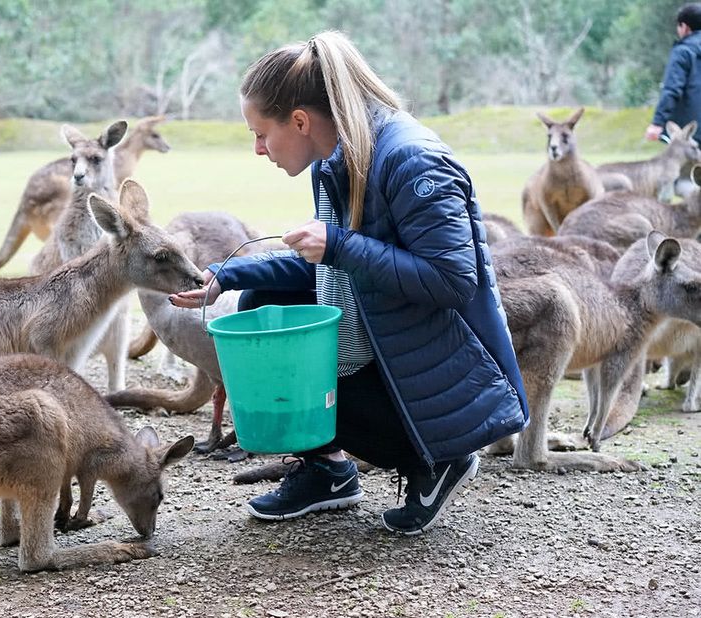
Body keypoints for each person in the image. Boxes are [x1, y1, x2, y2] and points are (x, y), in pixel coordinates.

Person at [170, 30, 529, 535]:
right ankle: (329, 471)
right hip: (391, 343)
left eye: (260, 133)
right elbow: (329, 268)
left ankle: (440, 457)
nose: (257, 149)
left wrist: (339, 244)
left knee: (286, 353)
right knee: (262, 301)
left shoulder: (413, 160)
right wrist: (225, 275)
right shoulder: (335, 156)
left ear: (299, 121)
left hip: (445, 378)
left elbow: (452, 281)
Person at [645, 3, 701, 144]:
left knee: (687, 166)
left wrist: (657, 122)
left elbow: (672, 89)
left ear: (684, 27)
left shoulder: (683, 52)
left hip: (689, 131)